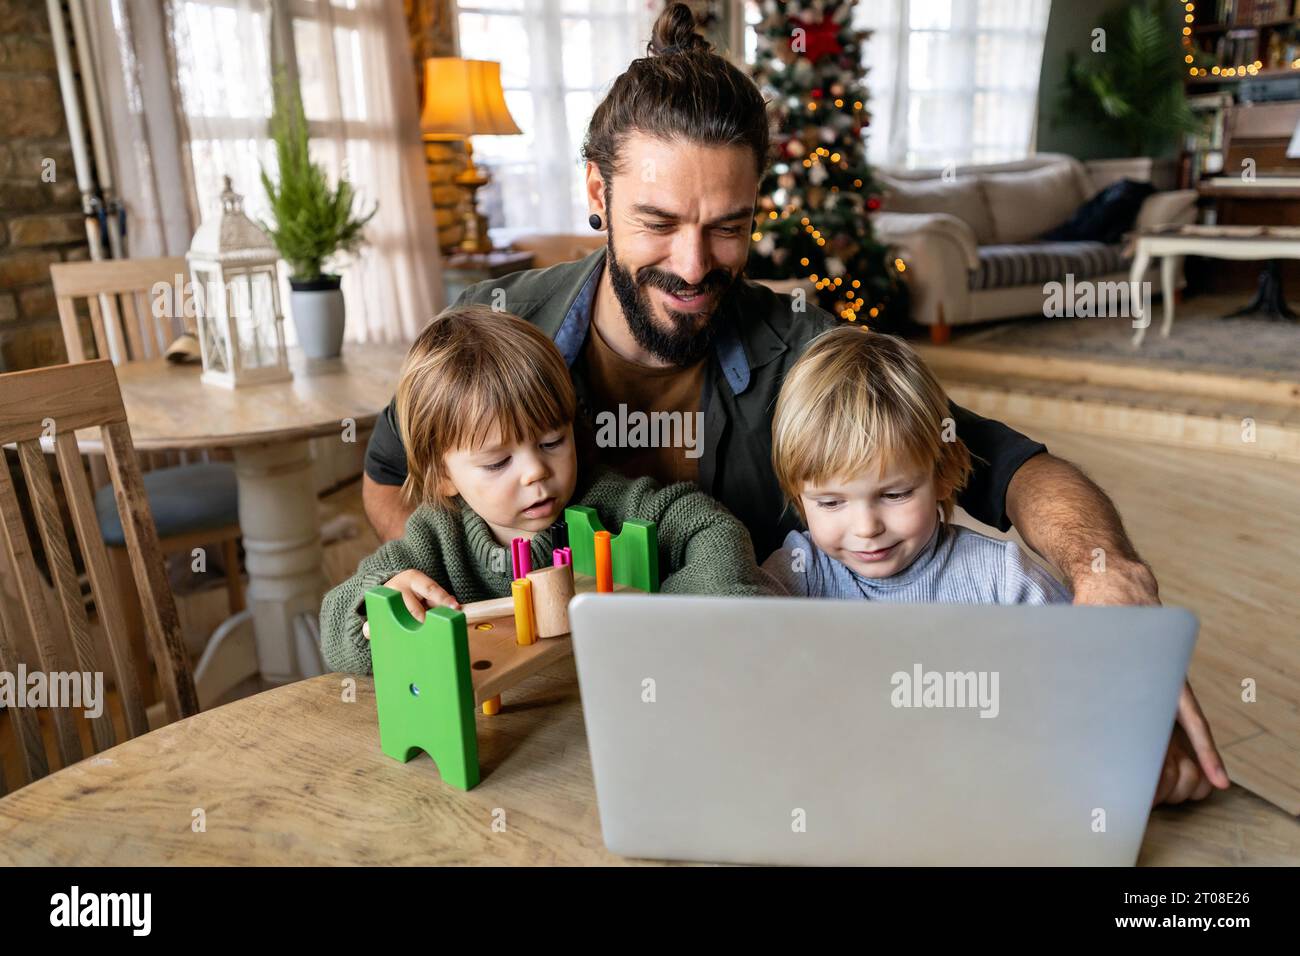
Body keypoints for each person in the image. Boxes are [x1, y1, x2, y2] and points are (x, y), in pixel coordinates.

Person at [358, 2, 1226, 802]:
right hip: (542, 731)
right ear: (597, 193)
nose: (695, 265)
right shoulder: (494, 338)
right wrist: (466, 596)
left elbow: (1014, 468)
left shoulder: (806, 351)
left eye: (728, 226)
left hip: (761, 723)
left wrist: (1104, 574)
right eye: (658, 222)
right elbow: (391, 477)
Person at [320, 306, 774, 675]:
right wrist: (380, 607)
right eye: (498, 462)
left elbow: (711, 527)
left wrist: (677, 613)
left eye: (552, 442)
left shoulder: (606, 504)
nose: (536, 472)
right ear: (443, 476)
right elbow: (337, 623)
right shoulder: (435, 539)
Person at [762, 326, 1069, 606]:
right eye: (830, 502)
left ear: (943, 475)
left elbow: (1086, 649)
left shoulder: (1003, 581)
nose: (867, 528)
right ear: (798, 497)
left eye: (895, 495)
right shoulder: (793, 574)